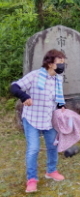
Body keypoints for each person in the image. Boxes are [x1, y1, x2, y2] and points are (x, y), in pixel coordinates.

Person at [10, 49, 66, 193]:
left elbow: (57, 99)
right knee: (33, 149)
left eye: (63, 63)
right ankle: (32, 179)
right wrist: (24, 97)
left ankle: (51, 171)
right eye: (60, 62)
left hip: (49, 120)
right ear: (50, 63)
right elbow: (14, 87)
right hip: (32, 119)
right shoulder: (35, 76)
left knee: (53, 146)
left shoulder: (57, 80)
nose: (62, 65)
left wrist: (62, 107)